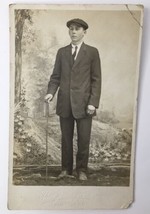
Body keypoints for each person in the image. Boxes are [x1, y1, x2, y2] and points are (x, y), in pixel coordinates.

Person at [45, 18, 101, 181]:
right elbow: (55, 77)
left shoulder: (92, 52)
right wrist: (51, 92)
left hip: (84, 105)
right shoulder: (62, 52)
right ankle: (66, 169)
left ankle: (82, 170)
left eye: (77, 29)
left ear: (84, 32)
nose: (74, 32)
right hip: (65, 103)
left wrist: (93, 102)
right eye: (71, 29)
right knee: (66, 139)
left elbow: (96, 79)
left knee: (84, 139)